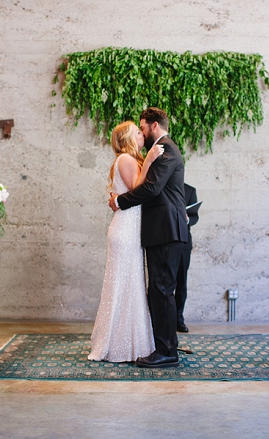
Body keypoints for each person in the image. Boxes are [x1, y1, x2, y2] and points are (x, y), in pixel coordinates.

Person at [109, 107, 188, 368]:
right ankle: (163, 345)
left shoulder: (164, 148)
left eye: (142, 127)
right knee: (159, 289)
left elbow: (151, 188)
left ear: (153, 125)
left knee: (162, 290)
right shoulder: (162, 149)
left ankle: (167, 352)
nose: (141, 132)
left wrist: (120, 200)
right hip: (163, 229)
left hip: (166, 230)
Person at [88, 121, 163, 362]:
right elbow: (135, 189)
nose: (142, 134)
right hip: (125, 231)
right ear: (129, 139)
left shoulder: (130, 160)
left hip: (129, 229)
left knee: (130, 287)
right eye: (137, 132)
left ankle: (128, 343)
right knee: (125, 287)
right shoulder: (126, 160)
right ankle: (119, 344)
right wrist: (150, 160)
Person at [175, 183, 199, 333]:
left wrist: (187, 219)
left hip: (184, 242)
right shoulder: (161, 186)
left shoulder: (190, 190)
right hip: (164, 240)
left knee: (181, 282)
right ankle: (163, 320)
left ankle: (179, 319)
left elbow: (195, 217)